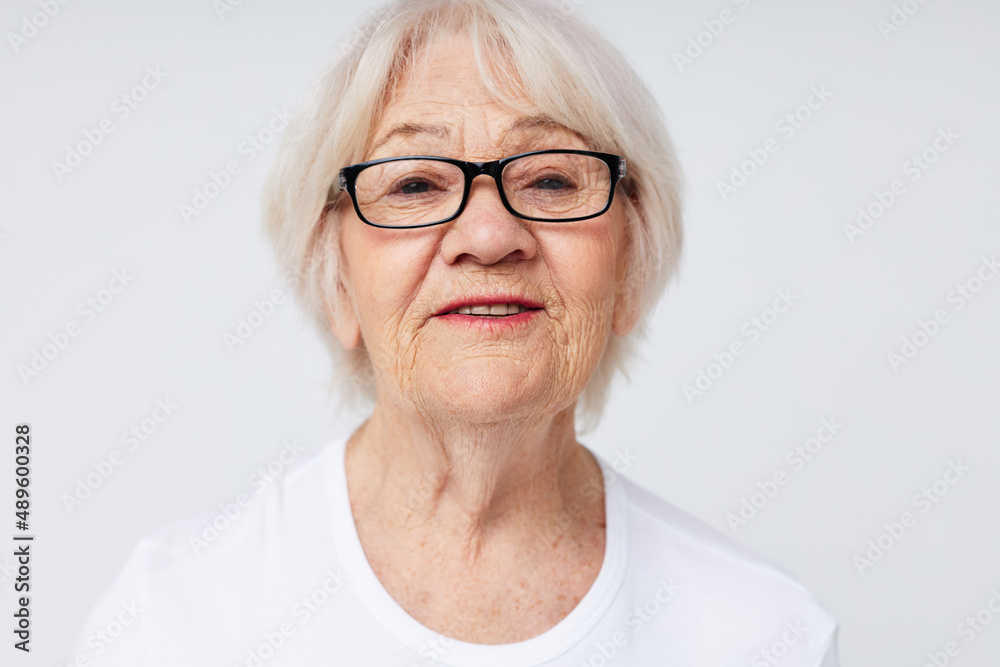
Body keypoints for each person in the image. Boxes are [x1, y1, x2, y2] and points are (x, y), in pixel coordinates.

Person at [74, 0, 839, 664]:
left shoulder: (765, 637)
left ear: (629, 265)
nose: (488, 232)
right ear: (335, 276)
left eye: (550, 178)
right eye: (414, 183)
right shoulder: (171, 620)